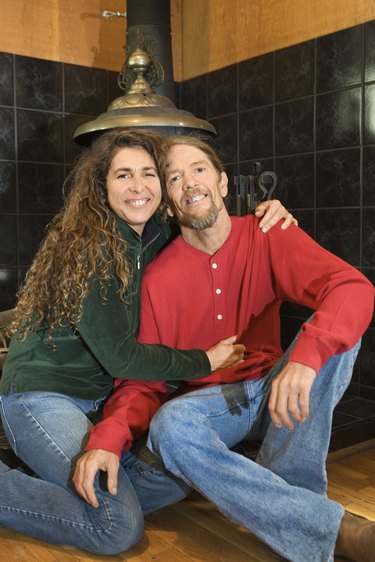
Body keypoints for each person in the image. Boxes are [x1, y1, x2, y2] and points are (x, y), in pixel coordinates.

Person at [75, 134, 375, 562]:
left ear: (222, 183)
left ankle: (293, 503)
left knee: (341, 334)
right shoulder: (158, 280)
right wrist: (107, 436)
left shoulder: (269, 233)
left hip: (274, 384)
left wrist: (306, 356)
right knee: (170, 426)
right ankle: (330, 525)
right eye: (174, 177)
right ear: (168, 202)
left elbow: (352, 287)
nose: (189, 183)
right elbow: (142, 380)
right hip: (213, 405)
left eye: (198, 170)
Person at [0, 128, 293, 555]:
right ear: (102, 187)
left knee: (176, 477)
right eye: (122, 176)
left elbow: (209, 227)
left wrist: (268, 212)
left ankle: (79, 490)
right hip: (42, 395)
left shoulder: (153, 238)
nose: (138, 186)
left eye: (149, 174)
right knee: (117, 528)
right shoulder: (91, 246)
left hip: (97, 402)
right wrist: (203, 361)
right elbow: (121, 358)